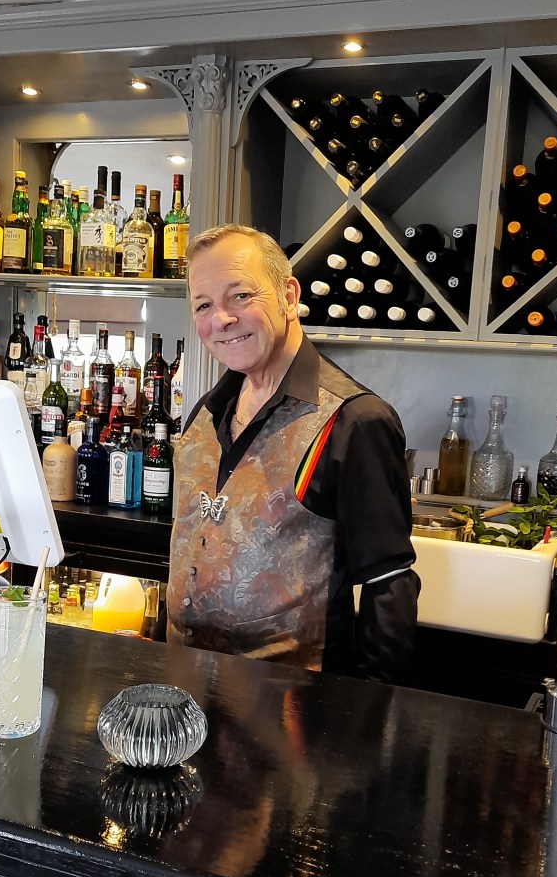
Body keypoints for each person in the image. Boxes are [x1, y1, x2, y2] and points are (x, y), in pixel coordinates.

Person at [165, 223, 418, 682]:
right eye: (204, 305)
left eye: (240, 296)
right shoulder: (205, 412)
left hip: (293, 716)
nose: (221, 319)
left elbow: (389, 586)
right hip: (188, 692)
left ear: (288, 295)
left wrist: (370, 719)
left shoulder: (354, 420)